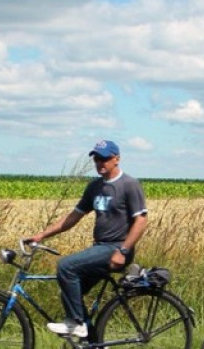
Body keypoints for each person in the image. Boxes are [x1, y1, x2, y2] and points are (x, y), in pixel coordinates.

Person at [26, 140, 148, 338]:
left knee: (65, 267)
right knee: (69, 292)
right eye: (97, 159)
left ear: (117, 159)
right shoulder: (95, 187)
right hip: (100, 248)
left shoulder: (129, 185)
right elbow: (73, 217)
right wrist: (42, 235)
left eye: (105, 158)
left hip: (116, 248)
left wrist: (123, 250)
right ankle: (92, 346)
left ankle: (76, 323)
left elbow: (141, 221)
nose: (100, 163)